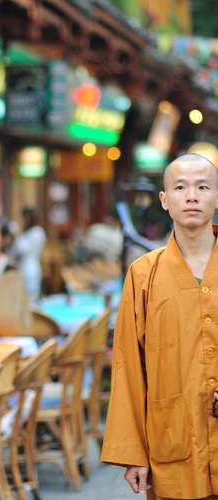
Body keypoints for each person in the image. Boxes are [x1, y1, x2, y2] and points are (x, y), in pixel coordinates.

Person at [102, 153, 218, 500]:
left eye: (203, 187)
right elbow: (128, 367)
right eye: (180, 188)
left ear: (217, 197)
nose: (192, 196)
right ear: (165, 200)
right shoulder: (143, 275)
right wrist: (133, 453)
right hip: (173, 443)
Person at [12, 207, 46, 301]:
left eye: (22, 217)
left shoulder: (37, 232)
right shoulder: (27, 232)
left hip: (30, 268)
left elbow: (21, 249)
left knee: (30, 297)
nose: (21, 220)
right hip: (22, 267)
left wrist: (17, 233)